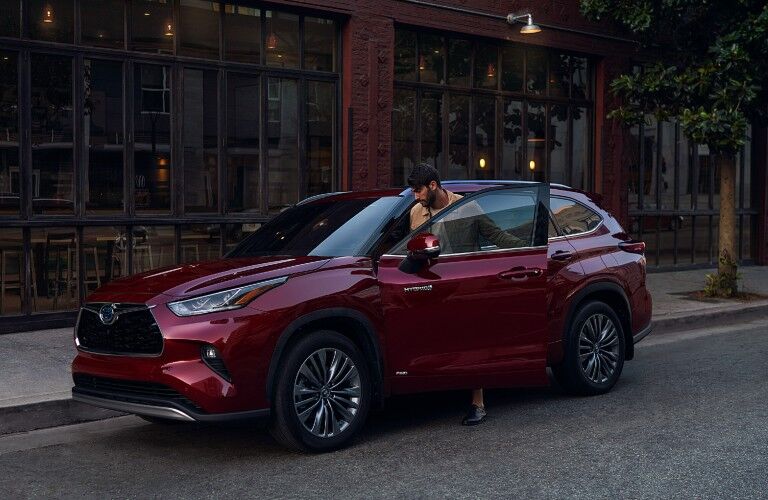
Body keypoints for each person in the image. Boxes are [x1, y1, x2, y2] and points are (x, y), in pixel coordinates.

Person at [406, 163, 516, 426]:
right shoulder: (415, 213)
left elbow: (497, 235)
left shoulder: (467, 207)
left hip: (464, 283)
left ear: (433, 185)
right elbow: (412, 247)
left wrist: (531, 248)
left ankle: (478, 403)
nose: (415, 196)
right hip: (432, 283)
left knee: (470, 340)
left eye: (418, 190)